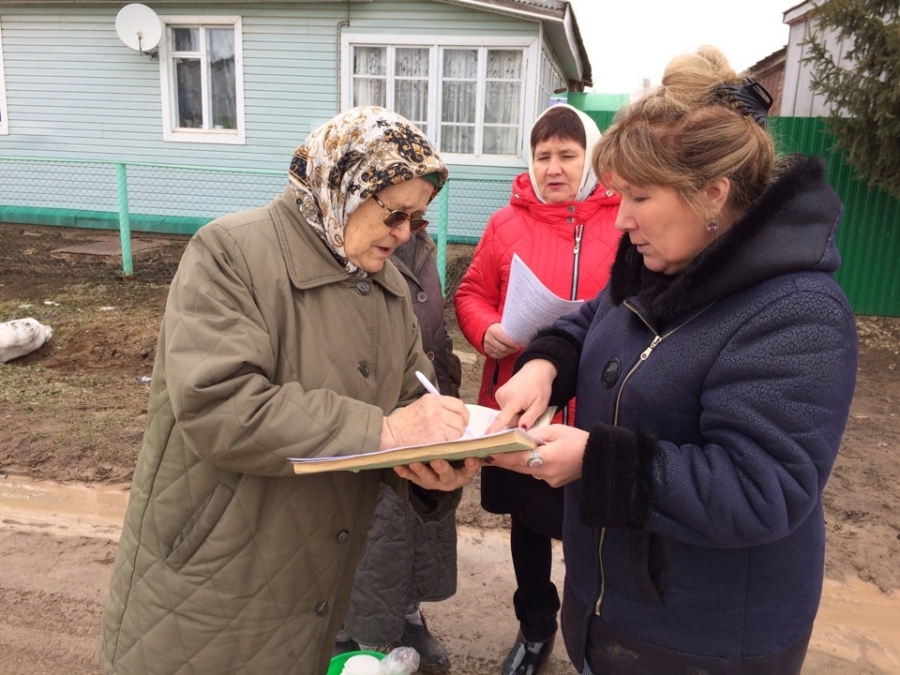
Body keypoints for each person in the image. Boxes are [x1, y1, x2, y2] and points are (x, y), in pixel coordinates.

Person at [486, 46, 859, 675]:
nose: (622, 217)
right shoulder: (659, 261)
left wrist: (592, 460)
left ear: (712, 193)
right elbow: (594, 320)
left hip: (700, 640)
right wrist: (544, 364)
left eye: (638, 197)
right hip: (605, 603)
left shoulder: (797, 311)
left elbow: (762, 487)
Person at [99, 106, 480, 675]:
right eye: (396, 215)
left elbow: (407, 405)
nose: (404, 236)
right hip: (211, 573)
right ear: (346, 186)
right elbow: (219, 404)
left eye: (418, 221)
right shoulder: (231, 253)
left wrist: (432, 473)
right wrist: (384, 431)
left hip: (315, 581)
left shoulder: (391, 290)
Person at [453, 103, 621, 675]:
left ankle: (590, 636)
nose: (554, 167)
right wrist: (487, 329)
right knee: (528, 526)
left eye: (567, 155)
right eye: (543, 155)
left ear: (590, 158)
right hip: (518, 405)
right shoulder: (506, 223)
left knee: (589, 533)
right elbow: (471, 292)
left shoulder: (621, 220)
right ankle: (534, 629)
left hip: (592, 410)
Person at [335, 229, 463, 673]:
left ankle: (409, 617)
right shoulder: (344, 237)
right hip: (370, 412)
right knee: (369, 534)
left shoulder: (420, 241)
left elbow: (431, 319)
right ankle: (343, 632)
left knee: (416, 529)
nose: (405, 224)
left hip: (424, 396)